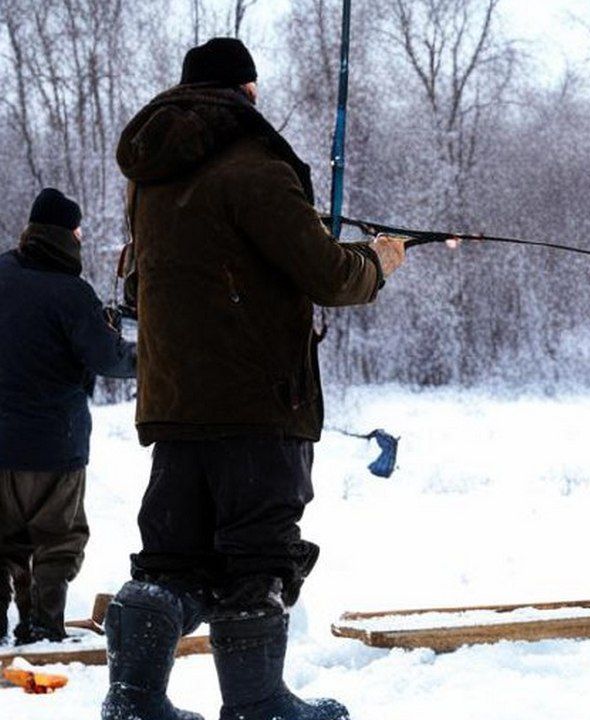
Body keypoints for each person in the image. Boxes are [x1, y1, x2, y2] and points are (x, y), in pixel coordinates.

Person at [101, 38, 406, 720]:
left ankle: (135, 701)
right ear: (245, 93)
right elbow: (327, 274)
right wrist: (379, 261)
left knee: (170, 558)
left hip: (174, 404)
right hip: (259, 402)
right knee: (258, 557)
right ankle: (257, 704)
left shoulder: (152, 179)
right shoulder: (255, 166)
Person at [0, 188, 137, 645]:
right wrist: (149, 350)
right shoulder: (72, 293)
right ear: (68, 234)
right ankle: (41, 627)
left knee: (5, 543)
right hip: (54, 449)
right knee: (57, 541)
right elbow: (110, 360)